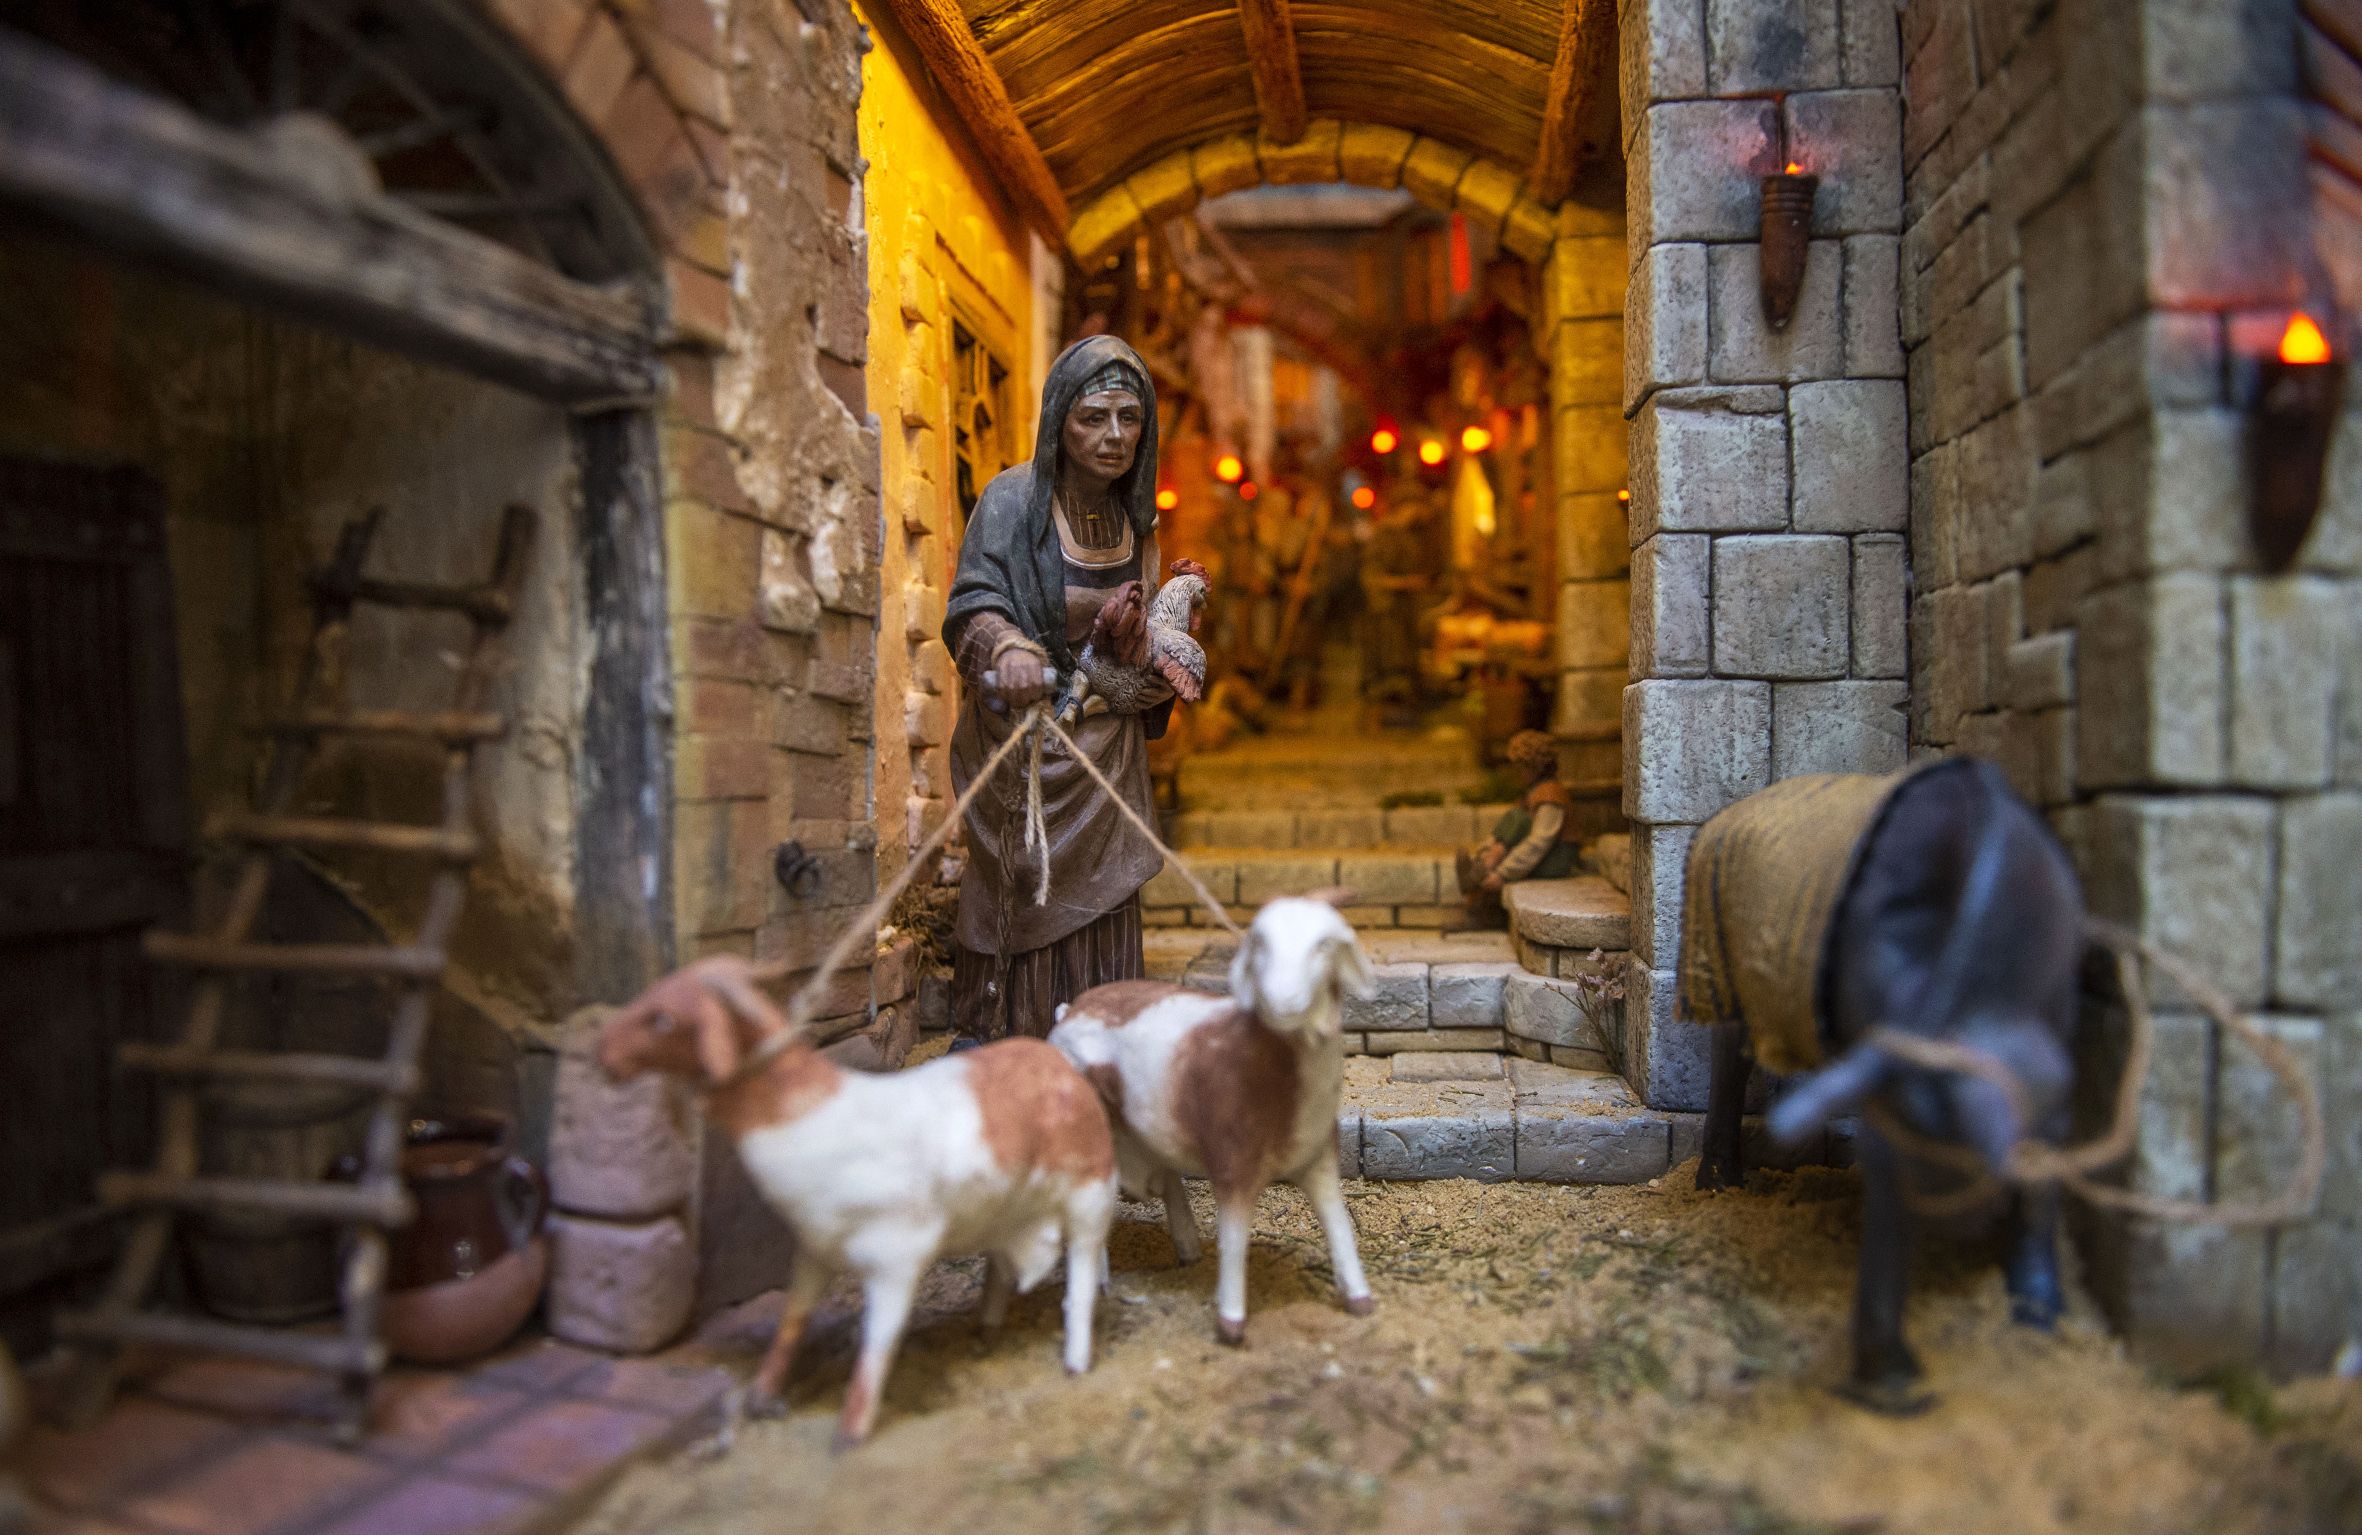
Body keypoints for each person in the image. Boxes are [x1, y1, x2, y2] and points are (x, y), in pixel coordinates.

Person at [941, 336, 1197, 1041]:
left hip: (1104, 745)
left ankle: (1099, 1031)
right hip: (1025, 739)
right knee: (1022, 883)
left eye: (1129, 417)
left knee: (1105, 895)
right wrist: (1010, 647)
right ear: (1060, 419)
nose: (1113, 436)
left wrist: (1145, 648)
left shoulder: (1133, 520)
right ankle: (1006, 1034)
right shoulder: (1011, 499)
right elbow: (973, 602)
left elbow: (1138, 633)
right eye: (1094, 417)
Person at [1450, 730, 1583, 931]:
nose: (1516, 772)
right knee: (1515, 816)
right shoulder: (1535, 791)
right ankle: (1486, 861)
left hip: (1558, 859)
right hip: (1547, 853)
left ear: (1534, 766)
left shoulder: (1550, 796)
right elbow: (1513, 827)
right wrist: (1488, 848)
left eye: (1519, 767)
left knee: (1517, 824)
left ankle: (1484, 879)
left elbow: (1539, 843)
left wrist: (1503, 874)